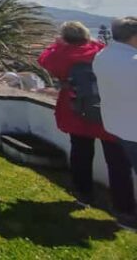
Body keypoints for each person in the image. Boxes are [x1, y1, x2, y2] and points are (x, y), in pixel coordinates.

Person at [39, 21, 135, 228]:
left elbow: (44, 59)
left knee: (80, 153)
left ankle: (83, 194)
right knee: (118, 163)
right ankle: (124, 210)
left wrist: (55, 44)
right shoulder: (99, 50)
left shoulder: (60, 54)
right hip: (106, 114)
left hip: (76, 110)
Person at [94, 16, 137, 230]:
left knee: (119, 171)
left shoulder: (101, 57)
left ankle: (124, 213)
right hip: (133, 129)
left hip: (113, 124)